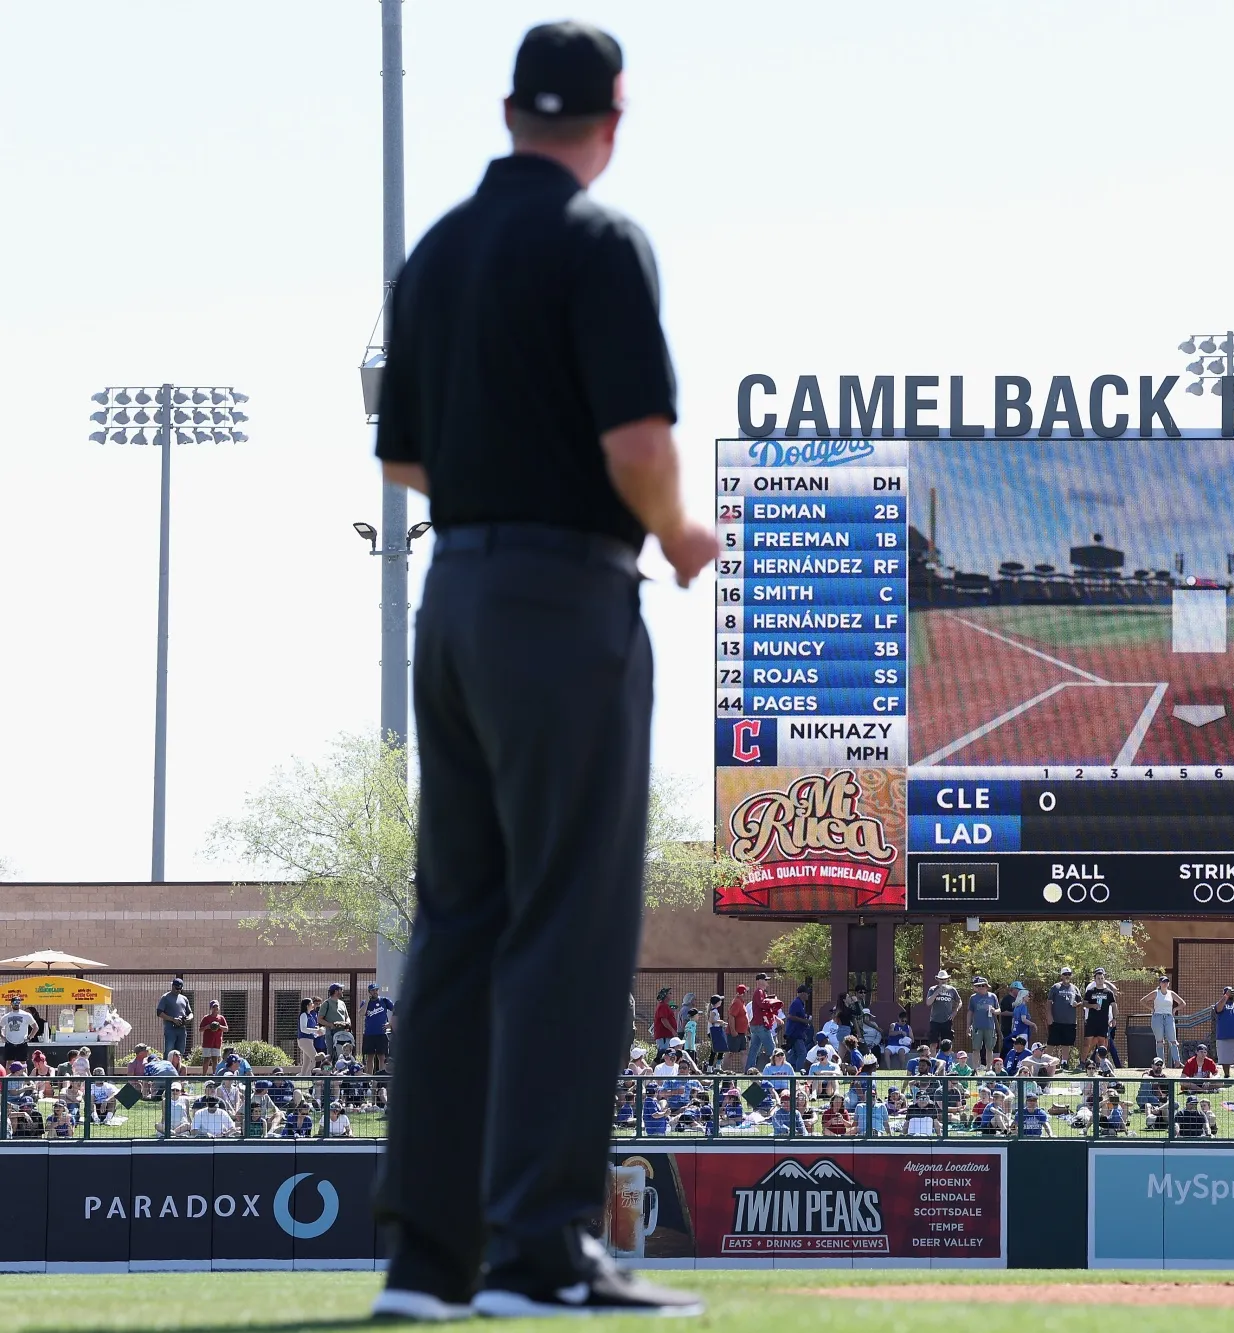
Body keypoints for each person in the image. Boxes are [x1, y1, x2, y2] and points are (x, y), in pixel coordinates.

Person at [368, 21, 716, 1321]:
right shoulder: (598, 241)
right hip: (564, 596)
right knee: (568, 924)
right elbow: (636, 438)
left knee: (457, 923)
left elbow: (401, 460)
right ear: (610, 123)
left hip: (449, 593)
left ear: (513, 110)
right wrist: (680, 533)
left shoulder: (442, 249)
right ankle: (540, 1251)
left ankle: (427, 1263)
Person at [1082, 968, 1119, 1066]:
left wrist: (1114, 1018)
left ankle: (1100, 1064)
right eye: (1098, 978)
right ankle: (1082, 1062)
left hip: (1103, 1022)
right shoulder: (1090, 991)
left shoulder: (1108, 992)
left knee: (1102, 1044)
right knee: (1087, 1042)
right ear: (1095, 979)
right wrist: (1092, 1006)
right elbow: (1084, 1004)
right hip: (1091, 1021)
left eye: (1102, 978)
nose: (1100, 980)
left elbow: (1114, 1006)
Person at [362, 983, 395, 1086]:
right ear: (369, 992)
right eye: (372, 990)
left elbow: (396, 1011)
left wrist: (390, 1024)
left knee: (382, 1056)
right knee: (370, 1057)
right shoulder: (365, 1002)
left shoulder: (384, 1001)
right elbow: (361, 1013)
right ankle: (368, 1081)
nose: (375, 992)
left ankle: (381, 1080)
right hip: (369, 1034)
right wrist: (367, 1001)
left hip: (381, 1034)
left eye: (376, 990)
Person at [1148, 975, 1186, 1066]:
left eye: (1166, 982)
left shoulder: (1171, 993)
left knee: (1173, 1040)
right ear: (1160, 983)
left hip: (1169, 1017)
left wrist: (1175, 1009)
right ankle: (1161, 1063)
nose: (1165, 983)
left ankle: (1177, 1062)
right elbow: (1143, 1000)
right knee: (1160, 1041)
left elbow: (1183, 1003)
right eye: (1163, 982)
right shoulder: (1156, 993)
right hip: (1158, 1017)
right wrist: (1151, 1009)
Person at [1047, 968, 1081, 1066]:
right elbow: (1049, 1002)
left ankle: (1064, 1062)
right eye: (1065, 974)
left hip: (1070, 1021)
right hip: (1056, 1021)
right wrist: (1049, 1016)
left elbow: (1080, 1002)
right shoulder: (1055, 987)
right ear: (1061, 976)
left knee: (1066, 1043)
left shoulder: (1075, 988)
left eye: (1069, 974)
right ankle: (1045, 1062)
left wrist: (1077, 1004)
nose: (1067, 976)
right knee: (1051, 1042)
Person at [965, 978, 1002, 1067]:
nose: (980, 987)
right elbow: (970, 1012)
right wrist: (968, 1026)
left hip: (989, 1027)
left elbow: (999, 1010)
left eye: (982, 985)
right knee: (976, 1049)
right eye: (978, 986)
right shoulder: (973, 998)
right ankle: (975, 1069)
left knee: (989, 1048)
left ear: (986, 986)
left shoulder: (992, 996)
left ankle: (988, 1068)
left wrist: (994, 1011)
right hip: (977, 1027)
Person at [155, 977, 193, 1056]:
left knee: (180, 1051)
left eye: (179, 989)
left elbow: (190, 1013)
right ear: (172, 986)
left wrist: (189, 1018)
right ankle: (166, 1067)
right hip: (170, 1028)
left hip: (182, 1029)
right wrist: (172, 1019)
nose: (178, 990)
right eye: (176, 988)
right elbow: (159, 1012)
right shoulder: (165, 997)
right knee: (169, 1050)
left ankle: (177, 1067)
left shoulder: (184, 998)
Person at [925, 971, 961, 1046]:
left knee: (947, 1044)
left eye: (944, 979)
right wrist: (937, 992)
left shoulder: (952, 990)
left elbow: (959, 1002)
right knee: (933, 1044)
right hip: (935, 1020)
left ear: (947, 979)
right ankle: (933, 1057)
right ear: (938, 979)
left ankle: (945, 1058)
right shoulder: (932, 989)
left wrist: (955, 1011)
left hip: (947, 1020)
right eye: (941, 979)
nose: (943, 981)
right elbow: (928, 1003)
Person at [0, 999, 34, 1067]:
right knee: (9, 1063)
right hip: (10, 1043)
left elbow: (35, 1027)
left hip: (22, 1043)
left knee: (23, 1064)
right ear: (11, 1004)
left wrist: (29, 1037)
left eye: (18, 1002)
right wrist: (2, 1037)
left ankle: (24, 1078)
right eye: (15, 1002)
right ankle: (8, 1078)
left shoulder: (26, 1015)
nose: (16, 1003)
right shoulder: (6, 1016)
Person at [197, 1000, 228, 1076]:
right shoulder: (206, 1018)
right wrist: (207, 1027)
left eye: (217, 1007)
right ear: (211, 1008)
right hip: (207, 1042)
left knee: (215, 1060)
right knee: (206, 1059)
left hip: (217, 1043)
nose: (215, 1008)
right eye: (214, 1007)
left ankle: (215, 1075)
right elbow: (200, 1029)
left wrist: (219, 1026)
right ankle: (204, 1076)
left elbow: (226, 1029)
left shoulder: (221, 1018)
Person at [295, 998, 323, 1076]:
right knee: (315, 1059)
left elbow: (311, 1030)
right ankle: (306, 1076)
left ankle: (302, 1078)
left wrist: (318, 1032)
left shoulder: (310, 1015)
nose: (313, 1005)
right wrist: (315, 1030)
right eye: (311, 1004)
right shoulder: (303, 1015)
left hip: (309, 1040)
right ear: (307, 1005)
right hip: (304, 1040)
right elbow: (303, 1029)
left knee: (306, 1062)